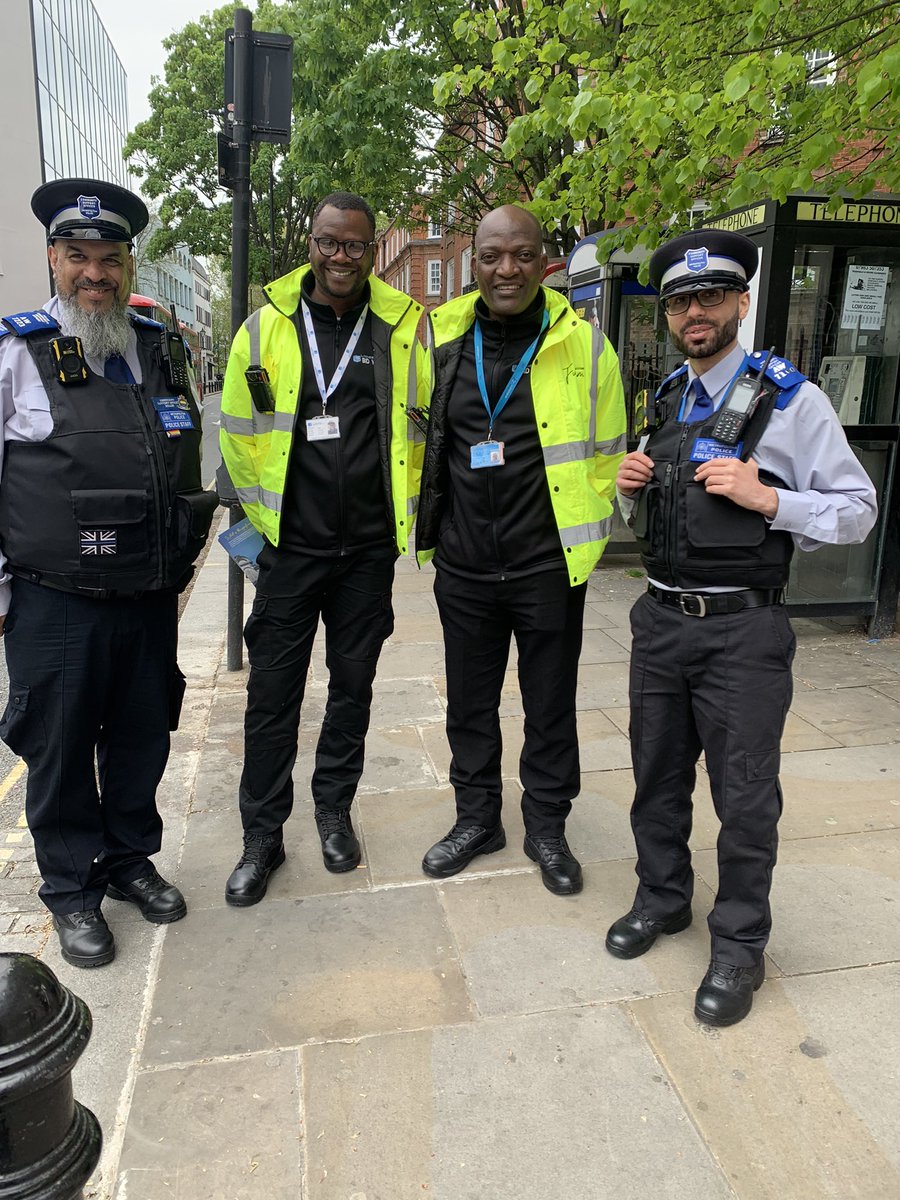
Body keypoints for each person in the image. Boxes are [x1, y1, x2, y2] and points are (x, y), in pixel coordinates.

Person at [606, 229, 878, 1025]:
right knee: (656, 780)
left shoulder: (791, 399)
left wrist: (772, 501)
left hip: (742, 635)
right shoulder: (666, 401)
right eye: (680, 302)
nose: (695, 313)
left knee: (746, 797)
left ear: (741, 303)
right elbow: (667, 515)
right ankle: (663, 899)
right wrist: (630, 490)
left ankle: (739, 945)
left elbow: (859, 509)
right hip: (660, 622)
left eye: (711, 297)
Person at [0, 178, 217, 968]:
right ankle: (69, 890)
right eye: (79, 257)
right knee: (57, 748)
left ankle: (129, 861)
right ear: (53, 259)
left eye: (112, 259)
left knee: (139, 740)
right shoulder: (16, 353)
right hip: (54, 601)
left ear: (131, 266)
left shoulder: (158, 347)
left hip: (148, 595)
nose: (96, 274)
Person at [219, 191, 428, 905]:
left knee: (352, 691)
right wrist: (270, 526)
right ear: (310, 244)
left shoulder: (400, 329)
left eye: (356, 246)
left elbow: (421, 430)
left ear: (373, 251)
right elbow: (238, 436)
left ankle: (334, 811)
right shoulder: (265, 327)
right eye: (329, 243)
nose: (341, 257)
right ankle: (261, 838)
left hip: (367, 553)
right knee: (272, 698)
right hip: (291, 553)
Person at [416, 204, 627, 895]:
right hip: (465, 563)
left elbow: (606, 452)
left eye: (522, 255)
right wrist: (433, 534)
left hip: (547, 564)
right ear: (473, 261)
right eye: (491, 257)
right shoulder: (442, 337)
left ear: (544, 260)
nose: (506, 269)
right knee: (469, 704)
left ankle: (546, 825)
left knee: (550, 701)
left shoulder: (585, 344)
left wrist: (585, 537)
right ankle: (477, 818)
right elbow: (416, 443)